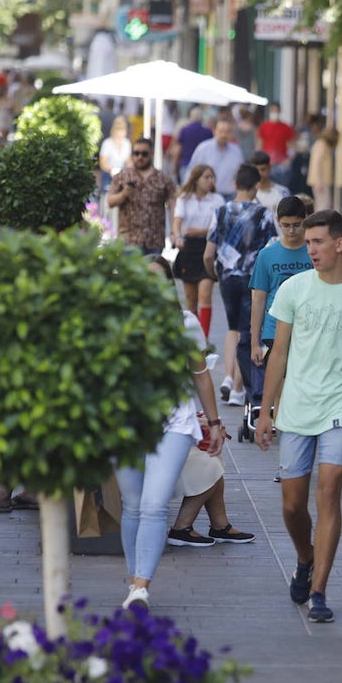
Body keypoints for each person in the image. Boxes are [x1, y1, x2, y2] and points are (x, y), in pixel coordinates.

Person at [255, 209, 342, 623]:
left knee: (329, 490)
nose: (309, 248)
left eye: (317, 242)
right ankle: (305, 557)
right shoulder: (294, 289)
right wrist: (265, 410)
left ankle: (319, 591)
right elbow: (279, 354)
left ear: (338, 243)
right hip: (296, 406)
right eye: (307, 242)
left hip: (339, 408)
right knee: (293, 506)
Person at [117, 256, 227, 609]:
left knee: (153, 504)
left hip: (174, 423)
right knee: (133, 505)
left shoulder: (185, 323)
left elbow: (199, 375)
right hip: (125, 424)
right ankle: (136, 582)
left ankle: (141, 584)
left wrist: (214, 422)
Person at [204, 164, 277, 407]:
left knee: (232, 328)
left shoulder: (221, 211)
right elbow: (273, 247)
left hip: (226, 277)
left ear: (235, 184)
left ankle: (227, 376)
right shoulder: (263, 214)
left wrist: (214, 273)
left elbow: (208, 253)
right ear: (257, 185)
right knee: (248, 332)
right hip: (252, 278)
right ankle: (237, 388)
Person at [249, 196, 312, 369]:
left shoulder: (314, 251)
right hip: (274, 328)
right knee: (280, 386)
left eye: (296, 225)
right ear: (278, 222)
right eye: (286, 225)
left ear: (305, 220)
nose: (291, 231)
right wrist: (254, 343)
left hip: (308, 329)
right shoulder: (266, 255)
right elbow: (258, 299)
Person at [171, 164, 224, 335]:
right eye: (206, 177)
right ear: (196, 179)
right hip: (189, 248)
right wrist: (177, 235)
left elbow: (219, 226)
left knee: (205, 293)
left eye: (212, 177)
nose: (210, 181)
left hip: (208, 247)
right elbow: (178, 221)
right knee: (190, 299)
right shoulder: (184, 198)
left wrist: (200, 231)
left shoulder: (217, 200)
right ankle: (193, 337)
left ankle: (204, 337)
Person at [107, 137, 176, 255]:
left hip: (154, 240)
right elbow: (110, 201)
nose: (140, 157)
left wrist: (174, 232)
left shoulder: (163, 178)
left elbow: (173, 205)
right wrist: (123, 194)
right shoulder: (123, 176)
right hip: (129, 239)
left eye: (144, 154)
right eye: (136, 153)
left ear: (151, 154)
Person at [189, 119, 245, 200]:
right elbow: (192, 171)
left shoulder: (237, 152)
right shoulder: (203, 149)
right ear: (214, 131)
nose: (224, 135)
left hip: (230, 197)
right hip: (208, 196)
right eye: (221, 131)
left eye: (227, 132)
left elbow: (240, 175)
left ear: (232, 134)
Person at [171, 106, 214, 183]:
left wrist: (175, 166)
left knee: (186, 189)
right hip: (203, 167)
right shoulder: (208, 132)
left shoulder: (185, 130)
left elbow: (178, 150)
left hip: (186, 165)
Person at [99, 116, 133, 203]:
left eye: (122, 130)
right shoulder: (107, 143)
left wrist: (129, 168)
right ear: (113, 130)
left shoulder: (127, 143)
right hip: (108, 174)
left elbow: (128, 161)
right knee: (106, 194)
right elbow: (102, 162)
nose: (120, 133)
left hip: (121, 175)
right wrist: (112, 170)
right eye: (118, 129)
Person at [307, 126, 339, 211]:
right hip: (321, 181)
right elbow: (317, 164)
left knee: (322, 204)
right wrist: (319, 181)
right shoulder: (322, 145)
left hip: (321, 180)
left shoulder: (321, 144)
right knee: (323, 205)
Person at [257, 103, 295, 172]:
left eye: (276, 111)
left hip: (281, 164)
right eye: (272, 111)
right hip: (266, 163)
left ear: (280, 111)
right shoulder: (264, 126)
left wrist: (288, 159)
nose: (274, 113)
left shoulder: (286, 127)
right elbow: (259, 144)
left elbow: (292, 146)